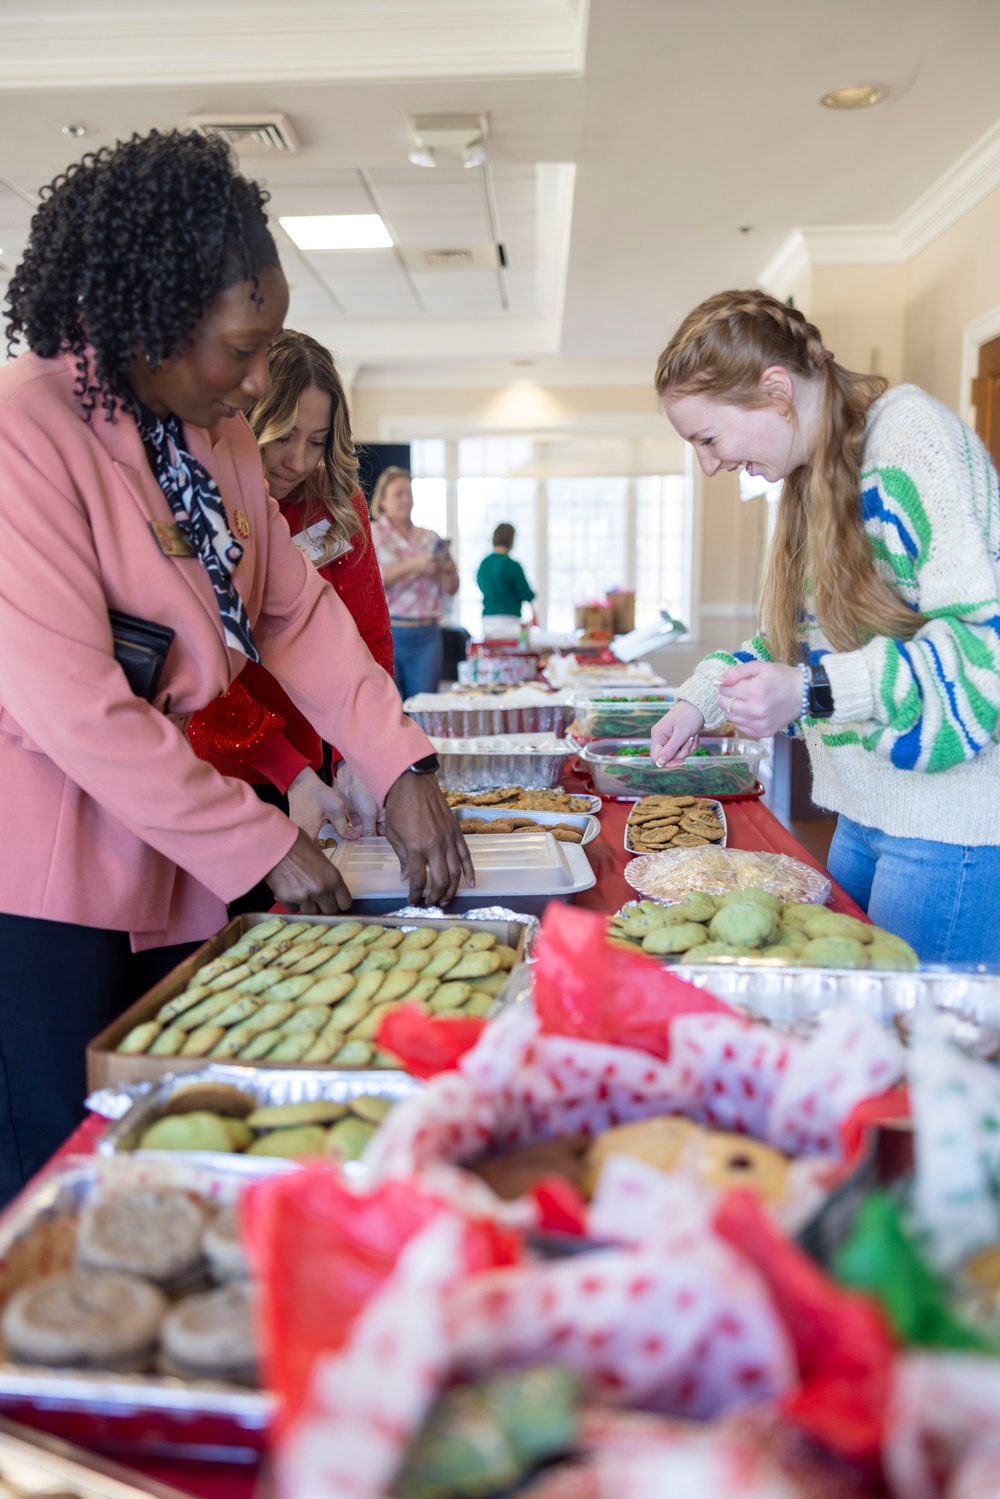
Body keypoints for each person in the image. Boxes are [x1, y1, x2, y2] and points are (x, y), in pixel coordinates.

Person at [0, 129, 472, 1198]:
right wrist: (260, 837)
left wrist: (401, 764)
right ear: (152, 321)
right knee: (63, 1175)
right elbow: (77, 707)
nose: (258, 378)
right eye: (240, 348)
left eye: (272, 344)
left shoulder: (206, 434)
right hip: (46, 887)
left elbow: (294, 612)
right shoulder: (25, 431)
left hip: (179, 864)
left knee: (191, 1147)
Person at [650, 288, 1000, 965]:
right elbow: (798, 644)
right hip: (866, 814)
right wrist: (701, 698)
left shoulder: (909, 439)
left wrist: (811, 691)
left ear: (776, 389)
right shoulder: (815, 478)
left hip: (945, 827)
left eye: (708, 437)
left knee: (910, 1053)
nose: (710, 463)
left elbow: (986, 647)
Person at [186, 330, 393, 911]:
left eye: (317, 440)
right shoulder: (206, 499)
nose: (297, 461)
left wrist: (360, 754)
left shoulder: (336, 504)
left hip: (315, 764)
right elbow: (204, 671)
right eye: (281, 437)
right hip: (224, 766)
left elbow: (367, 633)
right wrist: (287, 771)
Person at [371, 466, 458, 698]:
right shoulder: (372, 535)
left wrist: (449, 571)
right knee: (389, 710)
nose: (406, 499)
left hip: (427, 635)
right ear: (382, 500)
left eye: (409, 493)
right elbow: (373, 582)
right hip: (388, 633)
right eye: (398, 494)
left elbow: (451, 589)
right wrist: (415, 565)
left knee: (424, 709)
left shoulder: (429, 537)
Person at [476, 523, 535, 639]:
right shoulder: (513, 565)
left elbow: (480, 585)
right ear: (511, 540)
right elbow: (527, 594)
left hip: (488, 619)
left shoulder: (484, 563)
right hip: (510, 619)